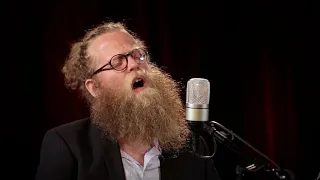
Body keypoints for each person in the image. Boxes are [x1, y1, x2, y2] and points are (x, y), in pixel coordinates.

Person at [35, 20, 221, 180]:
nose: (134, 64)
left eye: (137, 55)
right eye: (117, 62)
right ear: (94, 87)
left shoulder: (191, 146)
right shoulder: (66, 144)